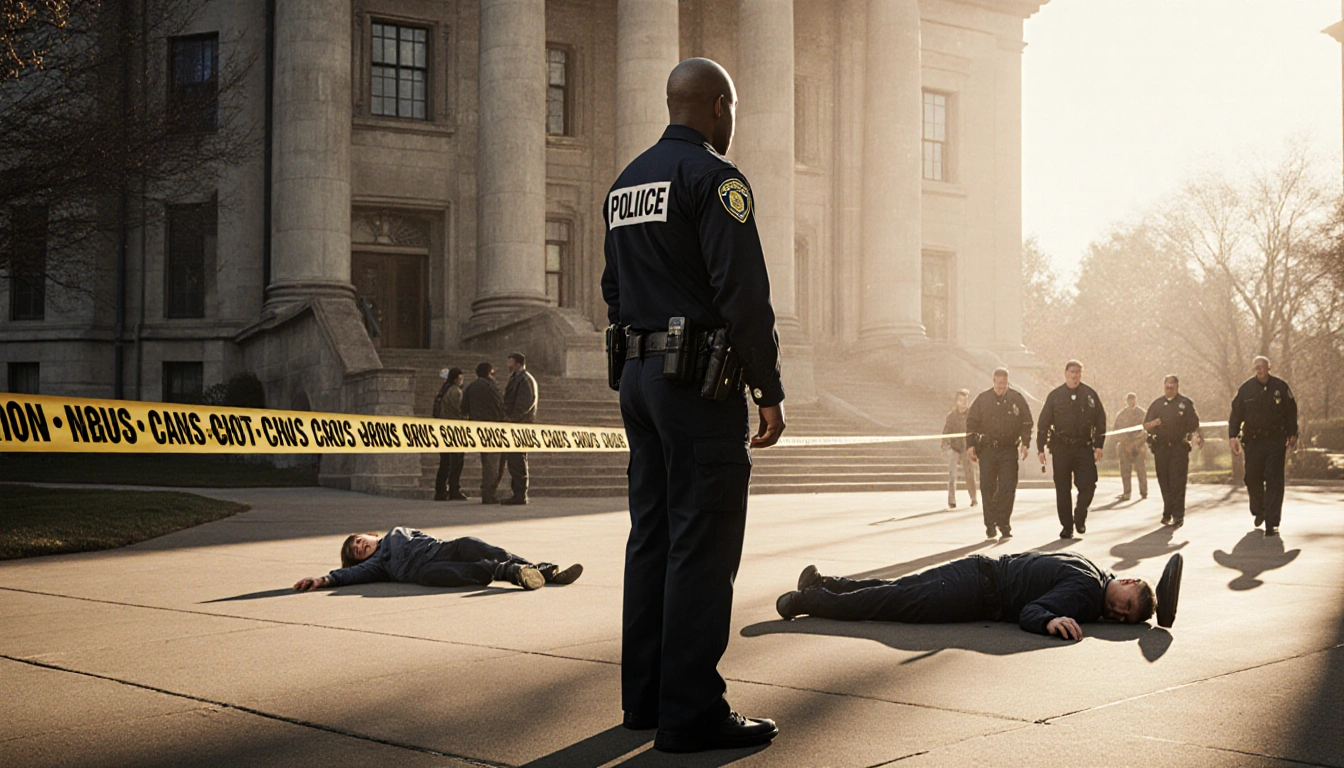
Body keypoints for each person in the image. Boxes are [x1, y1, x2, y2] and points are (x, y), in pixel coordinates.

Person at [600, 57, 786, 753]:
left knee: (650, 537)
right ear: (713, 106)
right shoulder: (715, 179)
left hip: (639, 383)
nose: (731, 122)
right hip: (698, 388)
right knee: (701, 545)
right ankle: (692, 713)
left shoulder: (624, 184)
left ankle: (645, 701)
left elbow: (612, 289)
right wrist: (767, 389)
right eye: (730, 109)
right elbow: (743, 297)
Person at [775, 552, 1155, 639]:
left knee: (898, 588)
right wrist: (1050, 619)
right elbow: (1031, 611)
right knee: (892, 601)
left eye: (1126, 618)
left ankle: (826, 582)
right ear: (1126, 582)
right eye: (1125, 607)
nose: (1117, 615)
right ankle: (808, 602)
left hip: (977, 570)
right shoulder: (1087, 592)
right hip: (972, 590)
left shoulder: (1093, 569)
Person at [292, 526, 582, 592]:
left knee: (470, 544)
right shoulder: (375, 563)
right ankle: (511, 573)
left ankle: (540, 570)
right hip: (424, 569)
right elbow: (350, 575)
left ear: (370, 534)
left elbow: (425, 537)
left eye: (358, 541)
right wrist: (324, 579)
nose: (358, 547)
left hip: (439, 549)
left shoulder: (397, 532)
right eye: (354, 551)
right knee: (444, 575)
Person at [1228, 356, 1298, 537]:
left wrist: (1293, 434)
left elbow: (1291, 411)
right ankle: (1259, 511)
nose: (1259, 370)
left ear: (1269, 367)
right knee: (1252, 478)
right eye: (1256, 367)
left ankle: (1272, 522)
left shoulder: (1280, 387)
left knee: (1275, 479)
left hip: (1275, 440)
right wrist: (1232, 436)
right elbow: (1236, 413)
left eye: (1262, 367)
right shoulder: (1246, 389)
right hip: (1253, 441)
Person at [1037, 360, 1107, 539]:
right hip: (1061, 448)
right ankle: (1067, 526)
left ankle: (1080, 515)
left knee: (1089, 484)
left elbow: (1100, 421)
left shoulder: (1089, 395)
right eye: (1072, 372)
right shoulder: (1055, 396)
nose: (1075, 375)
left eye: (1078, 372)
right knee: (1062, 488)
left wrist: (1099, 445)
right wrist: (1040, 448)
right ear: (1065, 373)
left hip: (1083, 447)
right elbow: (1043, 423)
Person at [965, 367, 1033, 540]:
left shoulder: (1016, 399)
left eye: (1004, 383)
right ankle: (990, 525)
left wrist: (1025, 443)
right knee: (987, 487)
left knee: (1008, 486)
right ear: (993, 381)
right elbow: (971, 423)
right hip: (987, 449)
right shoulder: (983, 399)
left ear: (1008, 382)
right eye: (998, 383)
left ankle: (1004, 522)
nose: (1001, 386)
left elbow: (1027, 422)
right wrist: (970, 445)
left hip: (1008, 449)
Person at [1143, 376, 1202, 528]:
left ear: (1177, 387)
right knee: (1164, 481)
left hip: (1178, 448)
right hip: (1161, 448)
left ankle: (1178, 514)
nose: (1169, 389)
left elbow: (1194, 424)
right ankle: (1167, 510)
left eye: (1172, 387)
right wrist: (1153, 423)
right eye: (1167, 386)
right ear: (1164, 386)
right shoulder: (1157, 404)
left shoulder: (1185, 403)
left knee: (1177, 482)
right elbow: (1146, 425)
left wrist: (1197, 435)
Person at [461, 361, 507, 504]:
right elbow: (501, 405)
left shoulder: (471, 387)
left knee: (486, 460)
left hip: (477, 428)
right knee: (493, 463)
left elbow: (463, 408)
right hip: (493, 428)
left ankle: (486, 491)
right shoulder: (492, 387)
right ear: (489, 373)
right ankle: (489, 493)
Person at [500, 352, 538, 506]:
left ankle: (520, 494)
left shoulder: (524, 379)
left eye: (511, 363)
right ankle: (517, 492)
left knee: (517, 460)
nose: (508, 366)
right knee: (514, 460)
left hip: (520, 425)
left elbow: (525, 401)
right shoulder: (517, 378)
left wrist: (513, 418)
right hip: (516, 424)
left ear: (517, 363)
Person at [432, 367, 468, 501]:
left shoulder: (443, 390)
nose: (461, 380)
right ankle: (454, 489)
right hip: (454, 429)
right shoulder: (455, 391)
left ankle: (440, 490)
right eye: (460, 378)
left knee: (445, 462)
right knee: (456, 462)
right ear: (456, 378)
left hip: (443, 429)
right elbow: (460, 410)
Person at [941, 389, 978, 510]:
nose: (964, 402)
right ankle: (951, 500)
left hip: (967, 447)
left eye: (966, 400)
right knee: (952, 474)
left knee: (970, 474)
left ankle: (973, 498)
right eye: (962, 400)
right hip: (955, 447)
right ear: (957, 401)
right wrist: (944, 442)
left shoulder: (971, 415)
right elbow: (947, 430)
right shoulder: (951, 416)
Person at [1112, 393, 1149, 501]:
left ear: (1136, 400)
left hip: (1138, 446)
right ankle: (1127, 492)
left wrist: (1136, 443)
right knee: (1125, 471)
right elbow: (1116, 430)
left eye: (1133, 400)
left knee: (1141, 470)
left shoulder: (1142, 414)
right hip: (1124, 446)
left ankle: (1144, 492)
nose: (1131, 402)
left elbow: (1146, 431)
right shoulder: (1121, 415)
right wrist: (1124, 442)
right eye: (1129, 400)